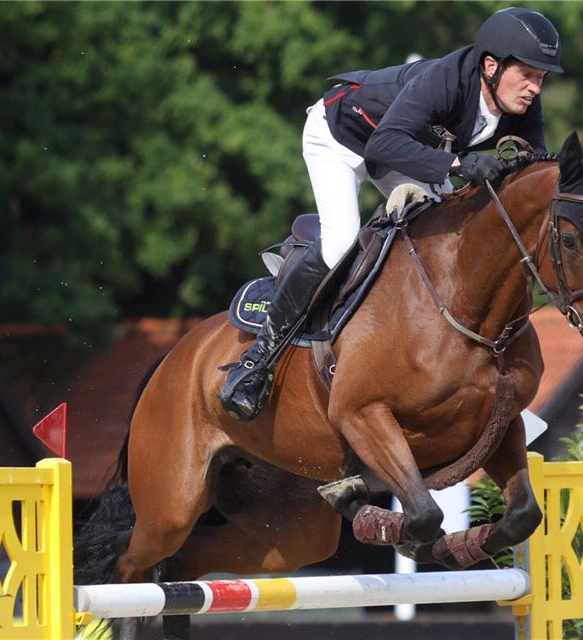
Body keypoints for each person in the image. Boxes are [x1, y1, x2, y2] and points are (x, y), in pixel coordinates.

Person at [219, 7, 563, 421]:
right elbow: (382, 146)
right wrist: (458, 166)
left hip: (405, 150)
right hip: (341, 139)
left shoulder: (521, 106)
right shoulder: (444, 80)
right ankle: (257, 362)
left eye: (540, 78)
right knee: (342, 241)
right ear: (491, 65)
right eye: (527, 75)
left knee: (450, 235)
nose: (534, 88)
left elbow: (533, 166)